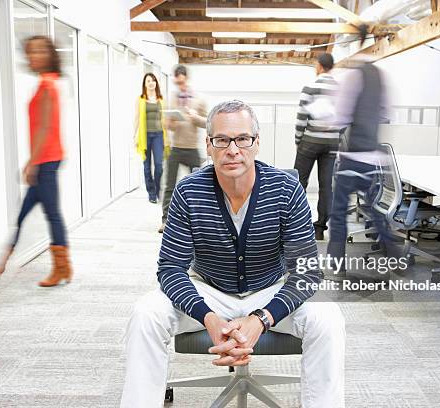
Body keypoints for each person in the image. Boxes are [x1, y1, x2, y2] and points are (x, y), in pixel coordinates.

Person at [121, 100, 345, 408]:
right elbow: (171, 269)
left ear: (256, 143)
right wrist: (208, 318)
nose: (233, 149)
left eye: (242, 139)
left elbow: (306, 273)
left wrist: (261, 320)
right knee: (146, 314)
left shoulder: (285, 189)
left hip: (269, 289)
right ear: (209, 145)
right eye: (222, 140)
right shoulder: (189, 192)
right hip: (211, 290)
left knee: (328, 318)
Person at [0, 35, 72, 287]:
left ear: (50, 55)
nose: (33, 56)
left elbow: (44, 127)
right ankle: (2, 260)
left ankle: (61, 268)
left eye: (39, 51)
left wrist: (32, 162)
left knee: (52, 214)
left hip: (46, 160)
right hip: (47, 158)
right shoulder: (49, 83)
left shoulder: (47, 85)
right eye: (30, 52)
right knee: (25, 213)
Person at [327, 24, 395, 270]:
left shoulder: (353, 76)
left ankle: (336, 264)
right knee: (375, 210)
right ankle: (393, 255)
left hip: (352, 157)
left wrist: (329, 121)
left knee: (339, 212)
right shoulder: (380, 75)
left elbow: (342, 116)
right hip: (374, 158)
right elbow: (387, 113)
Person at [294, 53, 343, 241]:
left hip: (310, 141)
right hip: (331, 143)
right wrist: (336, 136)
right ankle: (320, 228)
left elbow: (301, 117)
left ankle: (298, 224)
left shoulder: (311, 87)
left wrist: (299, 139)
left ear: (319, 66)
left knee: (298, 183)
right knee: (326, 186)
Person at [158, 64, 207, 233]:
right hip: (176, 148)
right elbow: (167, 126)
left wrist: (195, 118)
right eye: (176, 82)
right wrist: (170, 122)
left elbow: (206, 122)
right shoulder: (171, 100)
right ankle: (165, 221)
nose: (179, 85)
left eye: (181, 81)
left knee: (198, 187)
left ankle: (199, 222)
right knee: (170, 185)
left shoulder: (199, 99)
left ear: (186, 78)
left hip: (192, 149)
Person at [134, 73, 169, 203]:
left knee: (159, 165)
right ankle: (151, 194)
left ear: (156, 83)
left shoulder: (161, 99)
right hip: (145, 136)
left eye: (153, 80)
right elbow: (137, 118)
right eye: (148, 81)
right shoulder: (140, 99)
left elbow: (165, 118)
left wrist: (168, 137)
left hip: (159, 135)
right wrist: (134, 135)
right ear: (144, 83)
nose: (151, 83)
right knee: (147, 165)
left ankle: (157, 188)